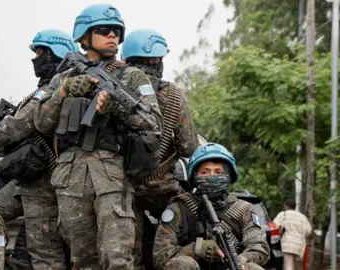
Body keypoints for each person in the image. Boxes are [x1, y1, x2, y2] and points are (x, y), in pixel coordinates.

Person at [33, 3, 162, 269]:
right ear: (84, 36)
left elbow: (153, 123)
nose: (112, 36)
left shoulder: (132, 76)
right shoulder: (64, 77)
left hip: (112, 179)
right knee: (81, 261)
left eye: (116, 31)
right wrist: (65, 91)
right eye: (104, 30)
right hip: (71, 181)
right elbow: (41, 122)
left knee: (117, 260)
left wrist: (119, 109)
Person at [0, 29, 79, 270]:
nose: (35, 58)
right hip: (29, 181)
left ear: (56, 52)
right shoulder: (53, 84)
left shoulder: (62, 83)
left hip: (45, 184)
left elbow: (20, 123)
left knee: (45, 258)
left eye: (40, 52)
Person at [121, 28, 199, 269]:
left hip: (120, 188)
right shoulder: (174, 95)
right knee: (190, 228)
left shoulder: (113, 90)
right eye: (156, 59)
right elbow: (189, 147)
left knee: (127, 257)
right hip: (161, 188)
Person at [153, 143, 270, 270]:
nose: (211, 176)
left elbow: (259, 247)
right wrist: (198, 248)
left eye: (218, 172)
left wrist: (239, 262)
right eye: (205, 172)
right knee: (183, 264)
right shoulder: (179, 208)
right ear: (195, 176)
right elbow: (160, 257)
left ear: (228, 176)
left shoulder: (243, 209)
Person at [273, 200, 312, 270]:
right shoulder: (302, 217)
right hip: (300, 245)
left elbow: (274, 227)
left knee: (288, 265)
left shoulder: (283, 214)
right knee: (296, 266)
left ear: (285, 206)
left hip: (287, 244)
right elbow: (309, 231)